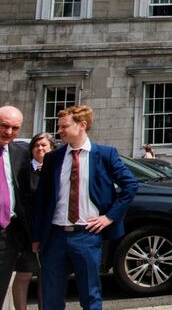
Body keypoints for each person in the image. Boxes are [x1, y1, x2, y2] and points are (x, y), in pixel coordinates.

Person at [32, 104, 139, 310]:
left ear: (82, 125)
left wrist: (109, 217)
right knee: (50, 296)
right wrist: (37, 237)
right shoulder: (54, 158)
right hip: (55, 236)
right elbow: (42, 200)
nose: (59, 131)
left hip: (87, 235)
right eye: (59, 126)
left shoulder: (105, 154)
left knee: (90, 295)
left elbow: (130, 185)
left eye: (64, 126)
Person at [12, 132, 55, 310]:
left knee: (46, 277)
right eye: (36, 145)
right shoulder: (23, 170)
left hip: (51, 231)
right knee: (24, 274)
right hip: (26, 231)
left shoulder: (57, 171)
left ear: (52, 148)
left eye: (44, 145)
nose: (40, 148)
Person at [0, 107, 32, 306]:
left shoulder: (20, 152)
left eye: (15, 128)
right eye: (4, 126)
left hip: (7, 234)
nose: (9, 132)